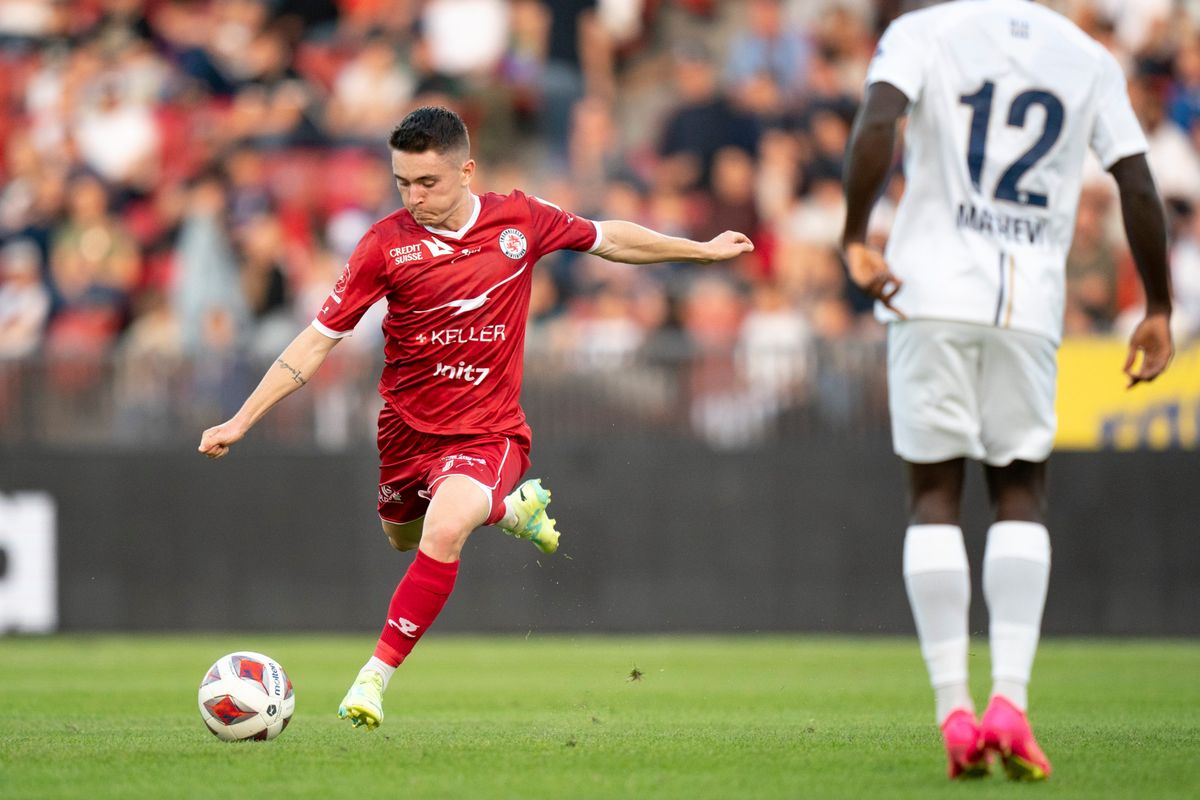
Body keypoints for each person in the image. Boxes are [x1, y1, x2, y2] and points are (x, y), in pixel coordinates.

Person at [198, 106, 753, 730]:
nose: (414, 197)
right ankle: (513, 510)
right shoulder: (384, 245)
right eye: (402, 183)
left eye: (427, 183)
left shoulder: (519, 220)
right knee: (404, 537)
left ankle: (372, 680)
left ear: (466, 171)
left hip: (488, 430)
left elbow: (609, 237)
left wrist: (699, 252)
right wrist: (242, 419)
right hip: (406, 432)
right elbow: (317, 339)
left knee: (445, 526)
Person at [840, 0, 1173, 782]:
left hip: (929, 293)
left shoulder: (924, 31)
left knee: (934, 500)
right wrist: (1157, 306)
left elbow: (878, 122)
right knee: (1021, 491)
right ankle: (1011, 703)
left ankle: (956, 710)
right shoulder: (1086, 55)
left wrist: (856, 235)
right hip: (1028, 306)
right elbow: (1138, 182)